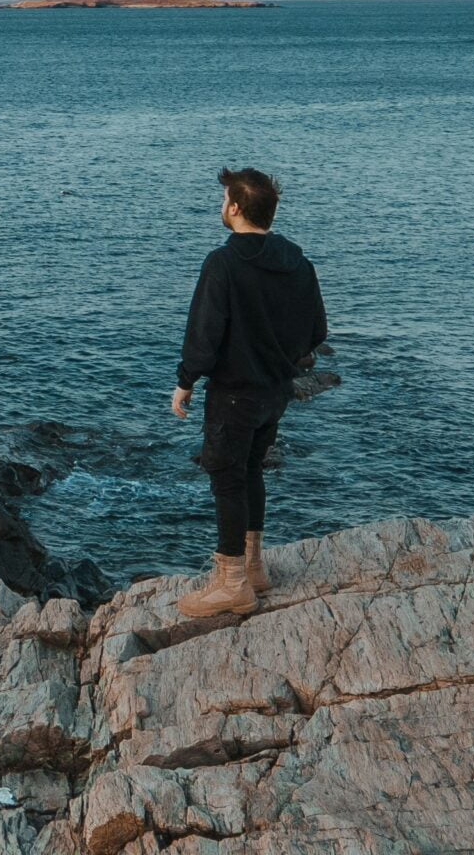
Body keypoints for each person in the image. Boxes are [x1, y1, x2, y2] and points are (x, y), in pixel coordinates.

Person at [169, 167, 328, 618]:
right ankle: (255, 566)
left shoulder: (223, 263)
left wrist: (185, 381)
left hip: (234, 392)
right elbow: (317, 330)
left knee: (225, 477)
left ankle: (233, 583)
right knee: (251, 470)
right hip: (276, 391)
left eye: (225, 200)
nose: (222, 207)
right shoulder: (299, 262)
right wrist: (279, 358)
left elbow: (204, 332)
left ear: (235, 208)